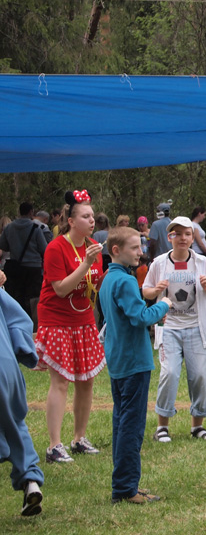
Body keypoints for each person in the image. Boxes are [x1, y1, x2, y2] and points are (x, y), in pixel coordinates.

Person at [99, 227, 171, 504]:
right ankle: (126, 489)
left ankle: (123, 485)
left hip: (117, 359)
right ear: (116, 250)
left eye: (140, 246)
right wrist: (163, 305)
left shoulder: (109, 279)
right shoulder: (126, 282)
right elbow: (140, 317)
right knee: (131, 426)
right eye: (134, 248)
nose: (140, 252)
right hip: (133, 362)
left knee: (121, 422)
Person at [35, 189, 106, 463]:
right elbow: (62, 289)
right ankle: (54, 446)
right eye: (86, 216)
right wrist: (86, 262)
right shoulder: (56, 248)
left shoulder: (93, 248)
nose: (92, 221)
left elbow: (92, 285)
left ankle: (79, 438)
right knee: (61, 380)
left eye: (92, 216)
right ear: (71, 221)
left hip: (84, 319)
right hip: (56, 320)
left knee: (86, 379)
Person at [142, 216, 206, 442]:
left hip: (197, 327)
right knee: (170, 373)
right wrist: (155, 290)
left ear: (193, 237)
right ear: (170, 237)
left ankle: (198, 426)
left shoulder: (201, 262)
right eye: (178, 234)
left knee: (200, 377)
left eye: (188, 234)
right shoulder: (159, 263)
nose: (183, 239)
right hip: (169, 328)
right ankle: (162, 427)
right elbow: (146, 291)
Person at [0, 285, 44, 516]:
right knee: (15, 423)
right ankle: (30, 481)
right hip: (6, 370)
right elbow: (20, 320)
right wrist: (24, 351)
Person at [0, 202, 48, 324]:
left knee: (17, 296)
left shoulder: (9, 228)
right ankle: (35, 324)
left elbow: (3, 246)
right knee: (33, 298)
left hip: (16, 267)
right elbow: (44, 249)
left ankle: (18, 321)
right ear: (31, 212)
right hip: (33, 268)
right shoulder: (36, 228)